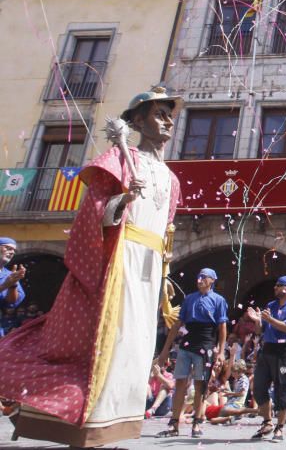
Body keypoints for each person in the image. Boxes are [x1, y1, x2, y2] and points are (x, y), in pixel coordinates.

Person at [0, 87, 182, 447]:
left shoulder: (172, 179)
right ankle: (84, 431)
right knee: (108, 345)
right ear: (138, 120)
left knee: (134, 350)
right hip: (119, 263)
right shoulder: (119, 158)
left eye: (169, 113)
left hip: (149, 271)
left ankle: (110, 431)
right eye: (159, 113)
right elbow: (92, 214)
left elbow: (167, 228)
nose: (167, 120)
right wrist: (123, 199)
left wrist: (165, 262)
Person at [155, 267, 229, 438]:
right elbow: (177, 324)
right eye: (198, 276)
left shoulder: (218, 300)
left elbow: (222, 326)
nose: (200, 279)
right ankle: (174, 423)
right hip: (187, 345)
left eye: (204, 277)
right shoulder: (189, 299)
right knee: (180, 382)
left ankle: (197, 422)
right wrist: (165, 350)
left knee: (199, 385)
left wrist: (221, 351)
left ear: (212, 280)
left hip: (206, 345)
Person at [244, 275, 286, 441]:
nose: (275, 288)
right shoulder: (271, 305)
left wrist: (269, 319)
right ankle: (267, 422)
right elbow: (259, 331)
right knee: (258, 387)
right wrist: (258, 321)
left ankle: (280, 426)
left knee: (282, 386)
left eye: (279, 285)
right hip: (268, 350)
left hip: (285, 351)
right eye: (276, 285)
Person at [0, 237, 26, 339]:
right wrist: (4, 286)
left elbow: (11, 302)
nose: (12, 252)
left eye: (14, 251)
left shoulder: (10, 275)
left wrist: (13, 285)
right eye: (8, 248)